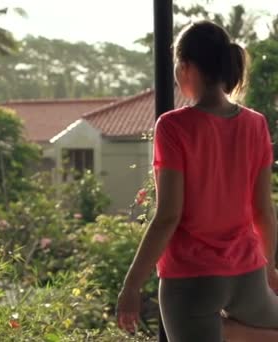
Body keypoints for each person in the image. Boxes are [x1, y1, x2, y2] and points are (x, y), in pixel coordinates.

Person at [116, 21, 278, 342]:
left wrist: (131, 285)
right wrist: (269, 266)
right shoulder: (255, 124)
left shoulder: (173, 127)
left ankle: (228, 333)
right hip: (247, 274)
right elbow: (264, 210)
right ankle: (233, 334)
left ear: (186, 66)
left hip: (191, 280)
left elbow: (168, 217)